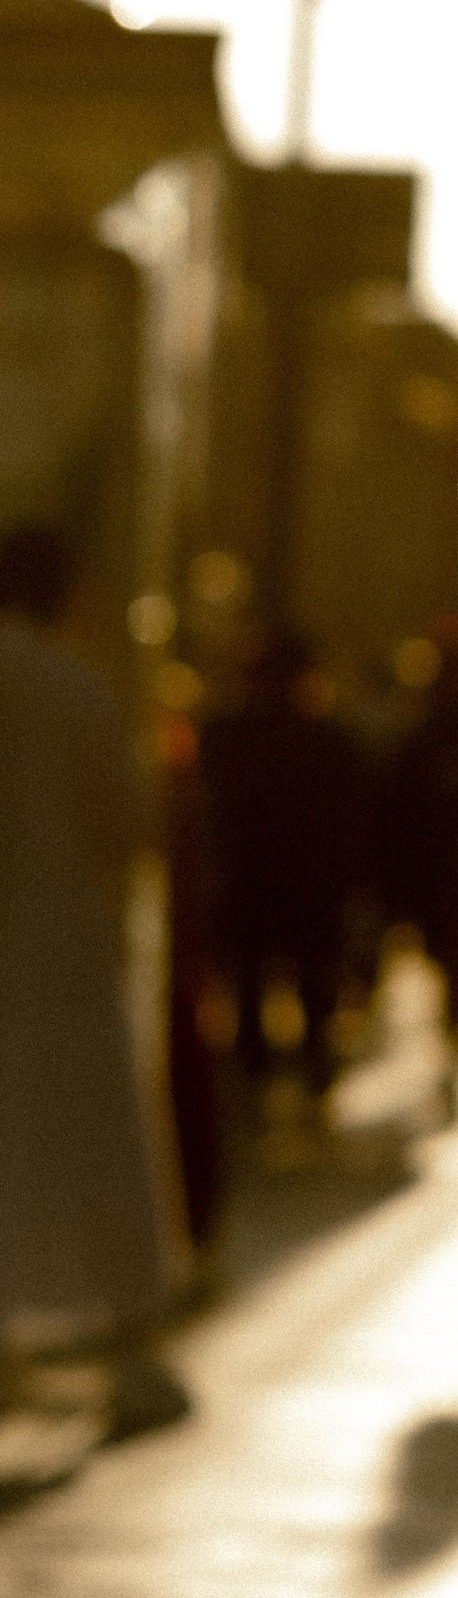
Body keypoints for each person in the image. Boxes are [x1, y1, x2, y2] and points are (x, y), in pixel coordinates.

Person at [0, 523, 188, 1435]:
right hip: (61, 949)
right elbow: (127, 818)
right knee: (98, 1149)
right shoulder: (74, 687)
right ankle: (133, 1349)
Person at [197, 630, 371, 1114]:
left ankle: (265, 1082)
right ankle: (304, 1078)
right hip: (297, 889)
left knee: (265, 990)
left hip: (266, 887)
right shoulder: (327, 740)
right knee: (296, 990)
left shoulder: (231, 736)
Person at [375, 619, 458, 1082]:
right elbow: (400, 812)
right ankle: (455, 1020)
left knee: (457, 954)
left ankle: (457, 1019)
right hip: (446, 872)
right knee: (452, 954)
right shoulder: (443, 738)